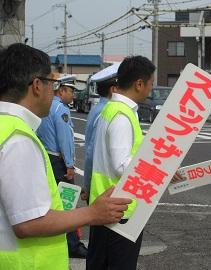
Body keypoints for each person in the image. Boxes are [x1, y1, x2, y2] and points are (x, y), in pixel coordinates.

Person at [0, 43, 132, 270]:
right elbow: (28, 222)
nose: (55, 91)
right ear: (37, 85)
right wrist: (92, 213)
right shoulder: (18, 139)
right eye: (53, 83)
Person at [86, 56, 155, 270]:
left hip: (106, 204)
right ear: (139, 84)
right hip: (120, 210)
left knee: (100, 263)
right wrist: (157, 170)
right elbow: (121, 165)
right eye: (150, 83)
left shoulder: (112, 109)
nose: (151, 89)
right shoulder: (122, 116)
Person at [36, 74, 87, 258]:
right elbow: (65, 139)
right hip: (59, 161)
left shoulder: (46, 107)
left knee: (53, 202)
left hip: (47, 157)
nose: (73, 95)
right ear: (62, 90)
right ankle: (72, 244)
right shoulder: (62, 110)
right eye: (71, 91)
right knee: (68, 203)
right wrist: (70, 165)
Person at [83, 63, 120, 202]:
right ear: (113, 89)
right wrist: (87, 185)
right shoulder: (107, 111)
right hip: (103, 188)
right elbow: (91, 153)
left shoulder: (98, 108)